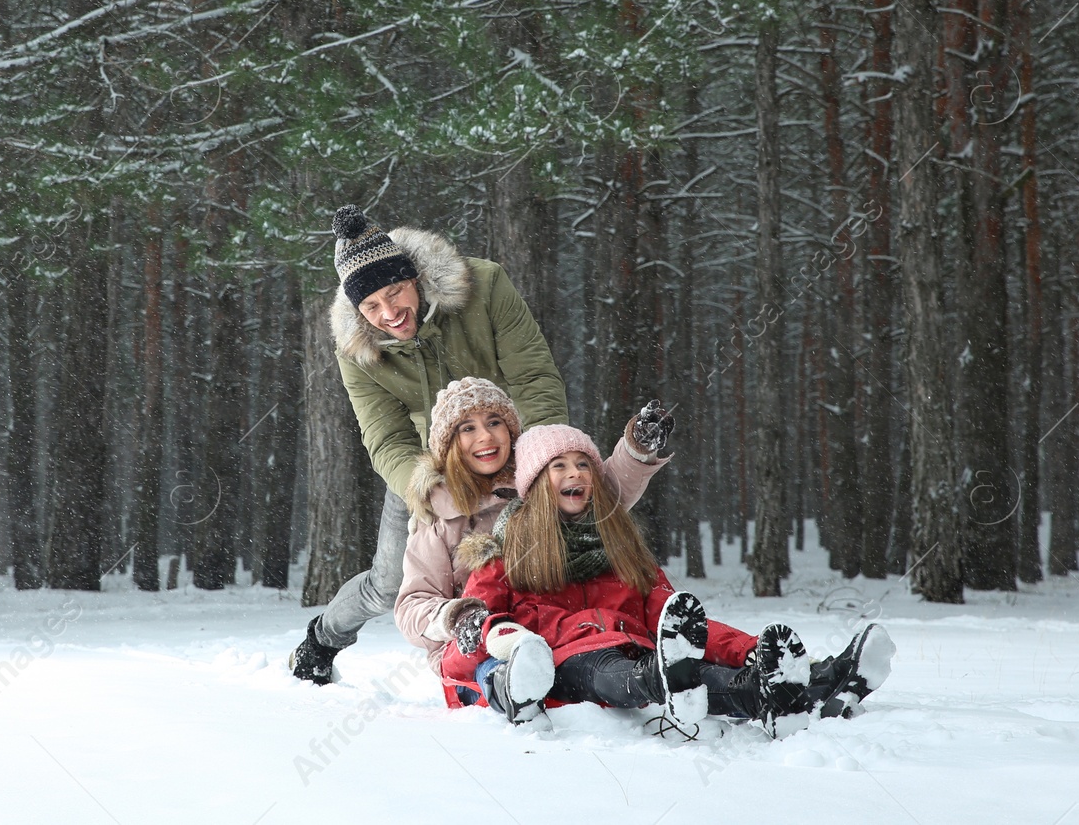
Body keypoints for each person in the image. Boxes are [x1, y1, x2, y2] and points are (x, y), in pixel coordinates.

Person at [445, 424, 894, 735]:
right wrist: (483, 637)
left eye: (584, 464)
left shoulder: (620, 550)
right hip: (569, 665)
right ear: (537, 484)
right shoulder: (503, 556)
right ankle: (682, 679)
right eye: (559, 466)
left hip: (645, 651)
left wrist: (749, 649)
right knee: (628, 670)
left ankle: (801, 683)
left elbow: (677, 622)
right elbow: (467, 652)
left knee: (691, 668)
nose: (575, 474)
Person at [288, 206, 569, 685]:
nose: (389, 314)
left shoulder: (486, 286)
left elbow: (533, 376)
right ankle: (323, 637)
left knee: (541, 560)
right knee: (390, 584)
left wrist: (539, 463)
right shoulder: (357, 349)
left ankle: (559, 656)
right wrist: (425, 489)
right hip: (429, 466)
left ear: (414, 276)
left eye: (395, 292)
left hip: (512, 452)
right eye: (371, 306)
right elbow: (385, 435)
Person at [394, 378, 673, 708]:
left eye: (494, 422)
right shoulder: (439, 518)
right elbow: (413, 603)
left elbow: (603, 492)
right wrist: (453, 617)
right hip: (475, 650)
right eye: (467, 428)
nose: (485, 436)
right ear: (450, 446)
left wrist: (634, 451)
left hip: (551, 629)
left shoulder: (535, 483)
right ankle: (511, 691)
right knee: (498, 664)